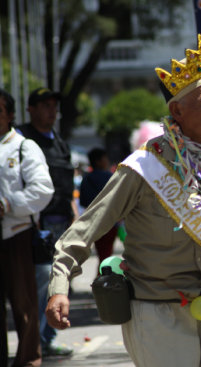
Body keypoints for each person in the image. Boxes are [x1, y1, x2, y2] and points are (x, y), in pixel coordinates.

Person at [44, 34, 201, 367]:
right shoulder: (144, 169)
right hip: (156, 309)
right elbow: (85, 230)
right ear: (177, 109)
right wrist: (59, 285)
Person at [18, 87, 75, 357]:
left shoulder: (59, 141)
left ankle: (47, 337)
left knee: (62, 279)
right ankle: (38, 339)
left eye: (54, 105)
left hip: (61, 223)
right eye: (45, 105)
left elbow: (66, 184)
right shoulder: (22, 139)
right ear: (30, 109)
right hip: (36, 225)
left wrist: (75, 214)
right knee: (42, 279)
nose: (51, 111)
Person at [0, 88, 54, 367]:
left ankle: (28, 361)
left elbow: (43, 190)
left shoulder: (23, 147)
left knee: (24, 307)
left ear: (10, 115)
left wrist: (8, 205)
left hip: (16, 234)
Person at [79, 147, 117, 269]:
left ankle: (101, 277)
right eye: (105, 159)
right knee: (107, 253)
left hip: (94, 221)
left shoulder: (86, 178)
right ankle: (103, 279)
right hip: (111, 220)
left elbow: (83, 201)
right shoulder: (110, 176)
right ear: (98, 161)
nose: (107, 161)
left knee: (101, 252)